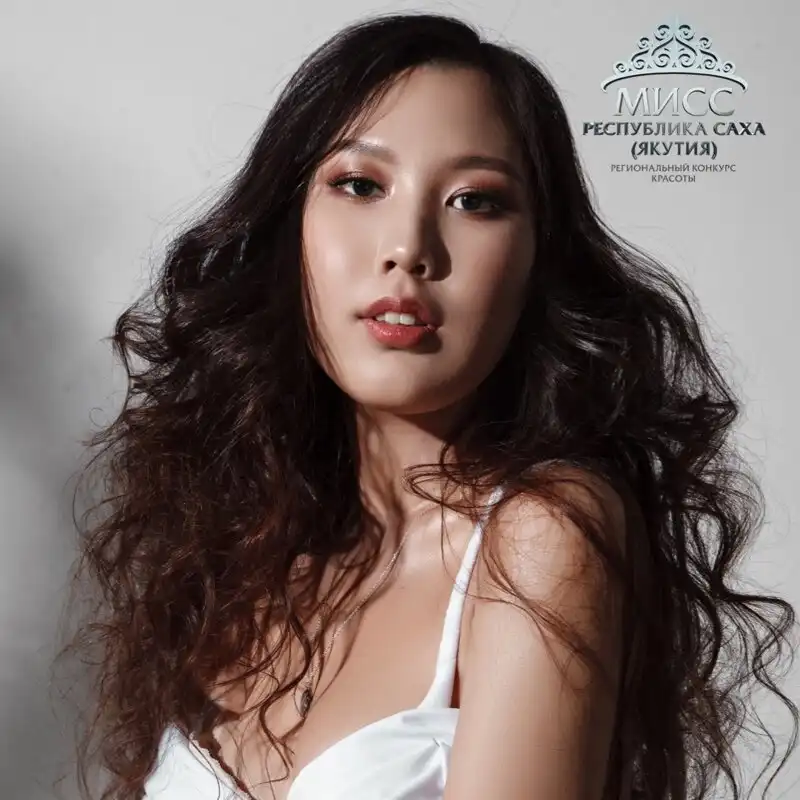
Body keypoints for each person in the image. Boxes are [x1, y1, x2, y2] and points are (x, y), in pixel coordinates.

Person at [57, 11, 797, 800]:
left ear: (537, 262)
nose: (408, 246)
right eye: (360, 185)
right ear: (288, 227)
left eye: (475, 201)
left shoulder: (542, 535)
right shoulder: (246, 554)